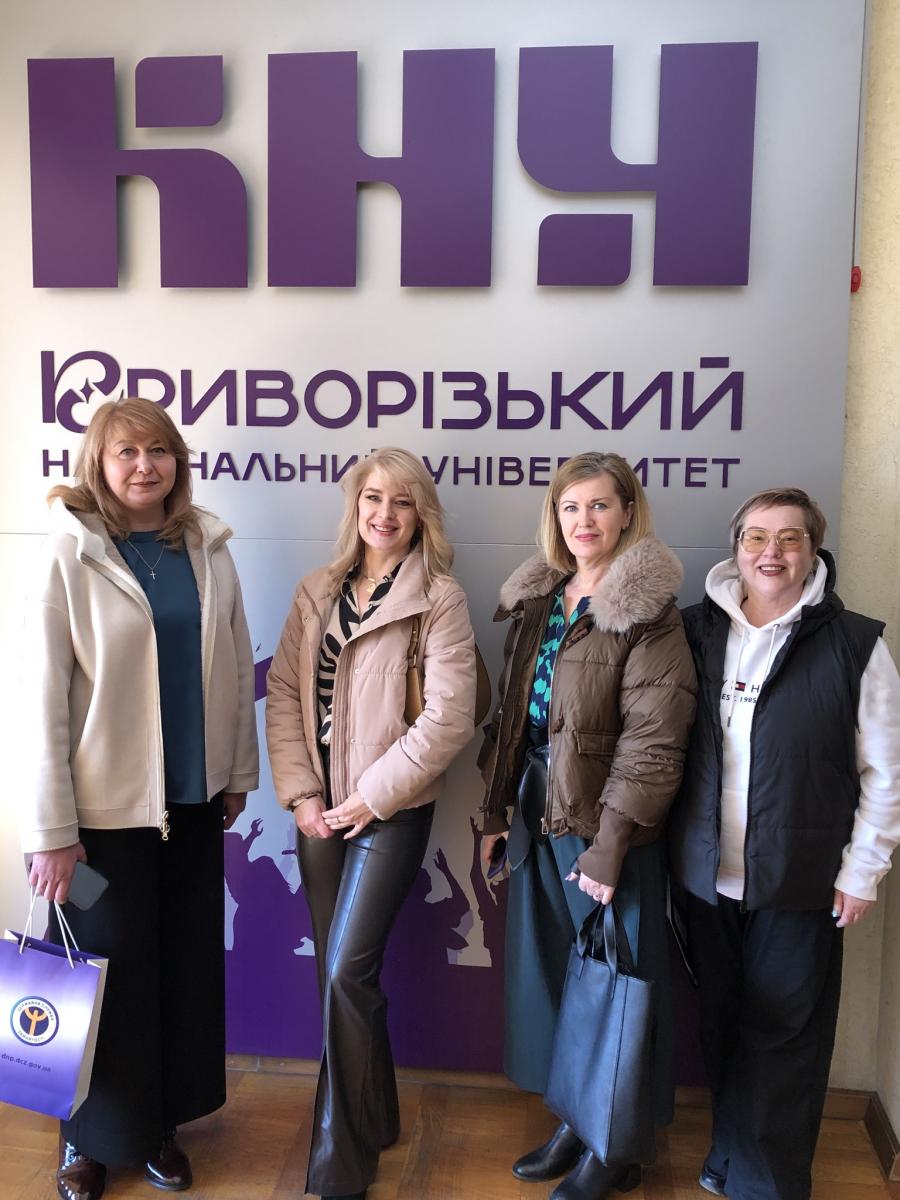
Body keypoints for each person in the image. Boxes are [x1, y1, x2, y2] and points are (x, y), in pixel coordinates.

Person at [21, 397, 259, 1200]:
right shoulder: (71, 551)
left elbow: (235, 667)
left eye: (158, 450)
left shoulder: (206, 549)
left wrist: (237, 775)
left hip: (190, 809)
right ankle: (83, 1142)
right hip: (98, 822)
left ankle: (158, 1127)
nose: (144, 466)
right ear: (99, 461)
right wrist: (51, 829)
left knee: (178, 970)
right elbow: (41, 701)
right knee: (102, 976)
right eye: (126, 451)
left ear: (177, 463)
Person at [668, 487, 900, 1200]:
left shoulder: (856, 643)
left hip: (802, 877)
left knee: (785, 1035)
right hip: (706, 875)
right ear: (736, 546)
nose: (772, 552)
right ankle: (730, 1151)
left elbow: (886, 770)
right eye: (757, 537)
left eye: (790, 538)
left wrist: (863, 870)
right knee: (722, 1024)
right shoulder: (691, 631)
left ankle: (767, 1184)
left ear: (813, 550)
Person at [478, 452, 697, 1200]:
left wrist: (611, 845)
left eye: (600, 505)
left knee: (620, 979)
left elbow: (655, 740)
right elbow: (512, 717)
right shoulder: (542, 597)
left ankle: (616, 1147)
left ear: (628, 512)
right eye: (571, 507)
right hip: (537, 806)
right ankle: (578, 1121)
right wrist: (495, 812)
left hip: (606, 824)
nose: (584, 521)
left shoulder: (649, 609)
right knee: (562, 977)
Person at [265, 446, 476, 1200]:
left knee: (346, 971)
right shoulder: (316, 591)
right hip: (319, 814)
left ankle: (340, 1162)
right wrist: (302, 796)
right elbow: (284, 695)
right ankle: (377, 1114)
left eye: (402, 501)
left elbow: (450, 716)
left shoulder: (438, 599)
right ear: (355, 506)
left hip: (389, 812)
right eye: (373, 498)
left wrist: (371, 797)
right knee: (339, 973)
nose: (385, 514)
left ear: (422, 515)